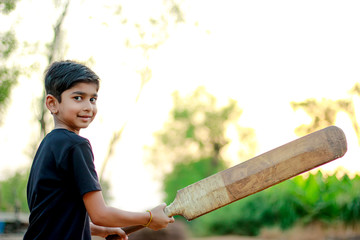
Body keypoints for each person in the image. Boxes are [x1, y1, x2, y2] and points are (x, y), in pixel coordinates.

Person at [23, 60, 174, 240]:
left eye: (93, 99)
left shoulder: (48, 144)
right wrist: (148, 218)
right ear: (52, 103)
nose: (88, 107)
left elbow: (52, 213)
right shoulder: (76, 145)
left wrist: (98, 230)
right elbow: (100, 213)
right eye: (78, 98)